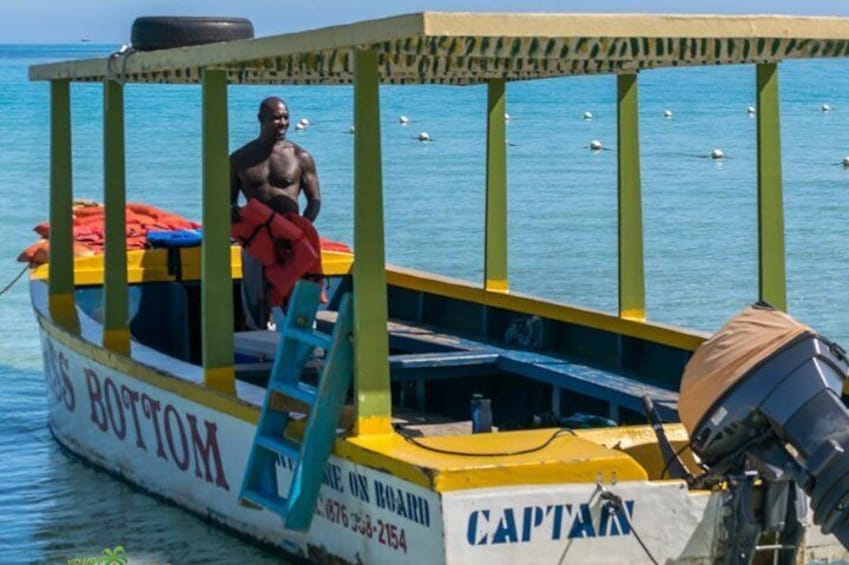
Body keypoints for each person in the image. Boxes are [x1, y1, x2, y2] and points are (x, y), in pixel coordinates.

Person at [230, 96, 321, 330]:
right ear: (261, 119)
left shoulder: (300, 156)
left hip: (292, 238)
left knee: (295, 295)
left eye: (285, 117)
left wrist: (300, 230)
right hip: (257, 241)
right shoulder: (240, 159)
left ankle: (299, 344)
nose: (282, 123)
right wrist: (238, 221)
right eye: (276, 118)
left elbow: (315, 200)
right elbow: (227, 202)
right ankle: (259, 341)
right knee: (255, 298)